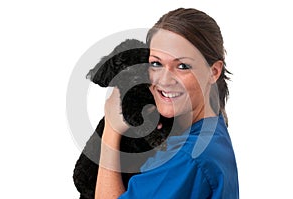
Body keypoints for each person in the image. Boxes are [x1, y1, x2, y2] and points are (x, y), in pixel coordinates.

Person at [95, 8, 239, 198]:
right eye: (156, 63)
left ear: (213, 72)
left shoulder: (186, 158)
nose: (164, 80)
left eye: (183, 66)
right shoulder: (211, 130)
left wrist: (111, 131)